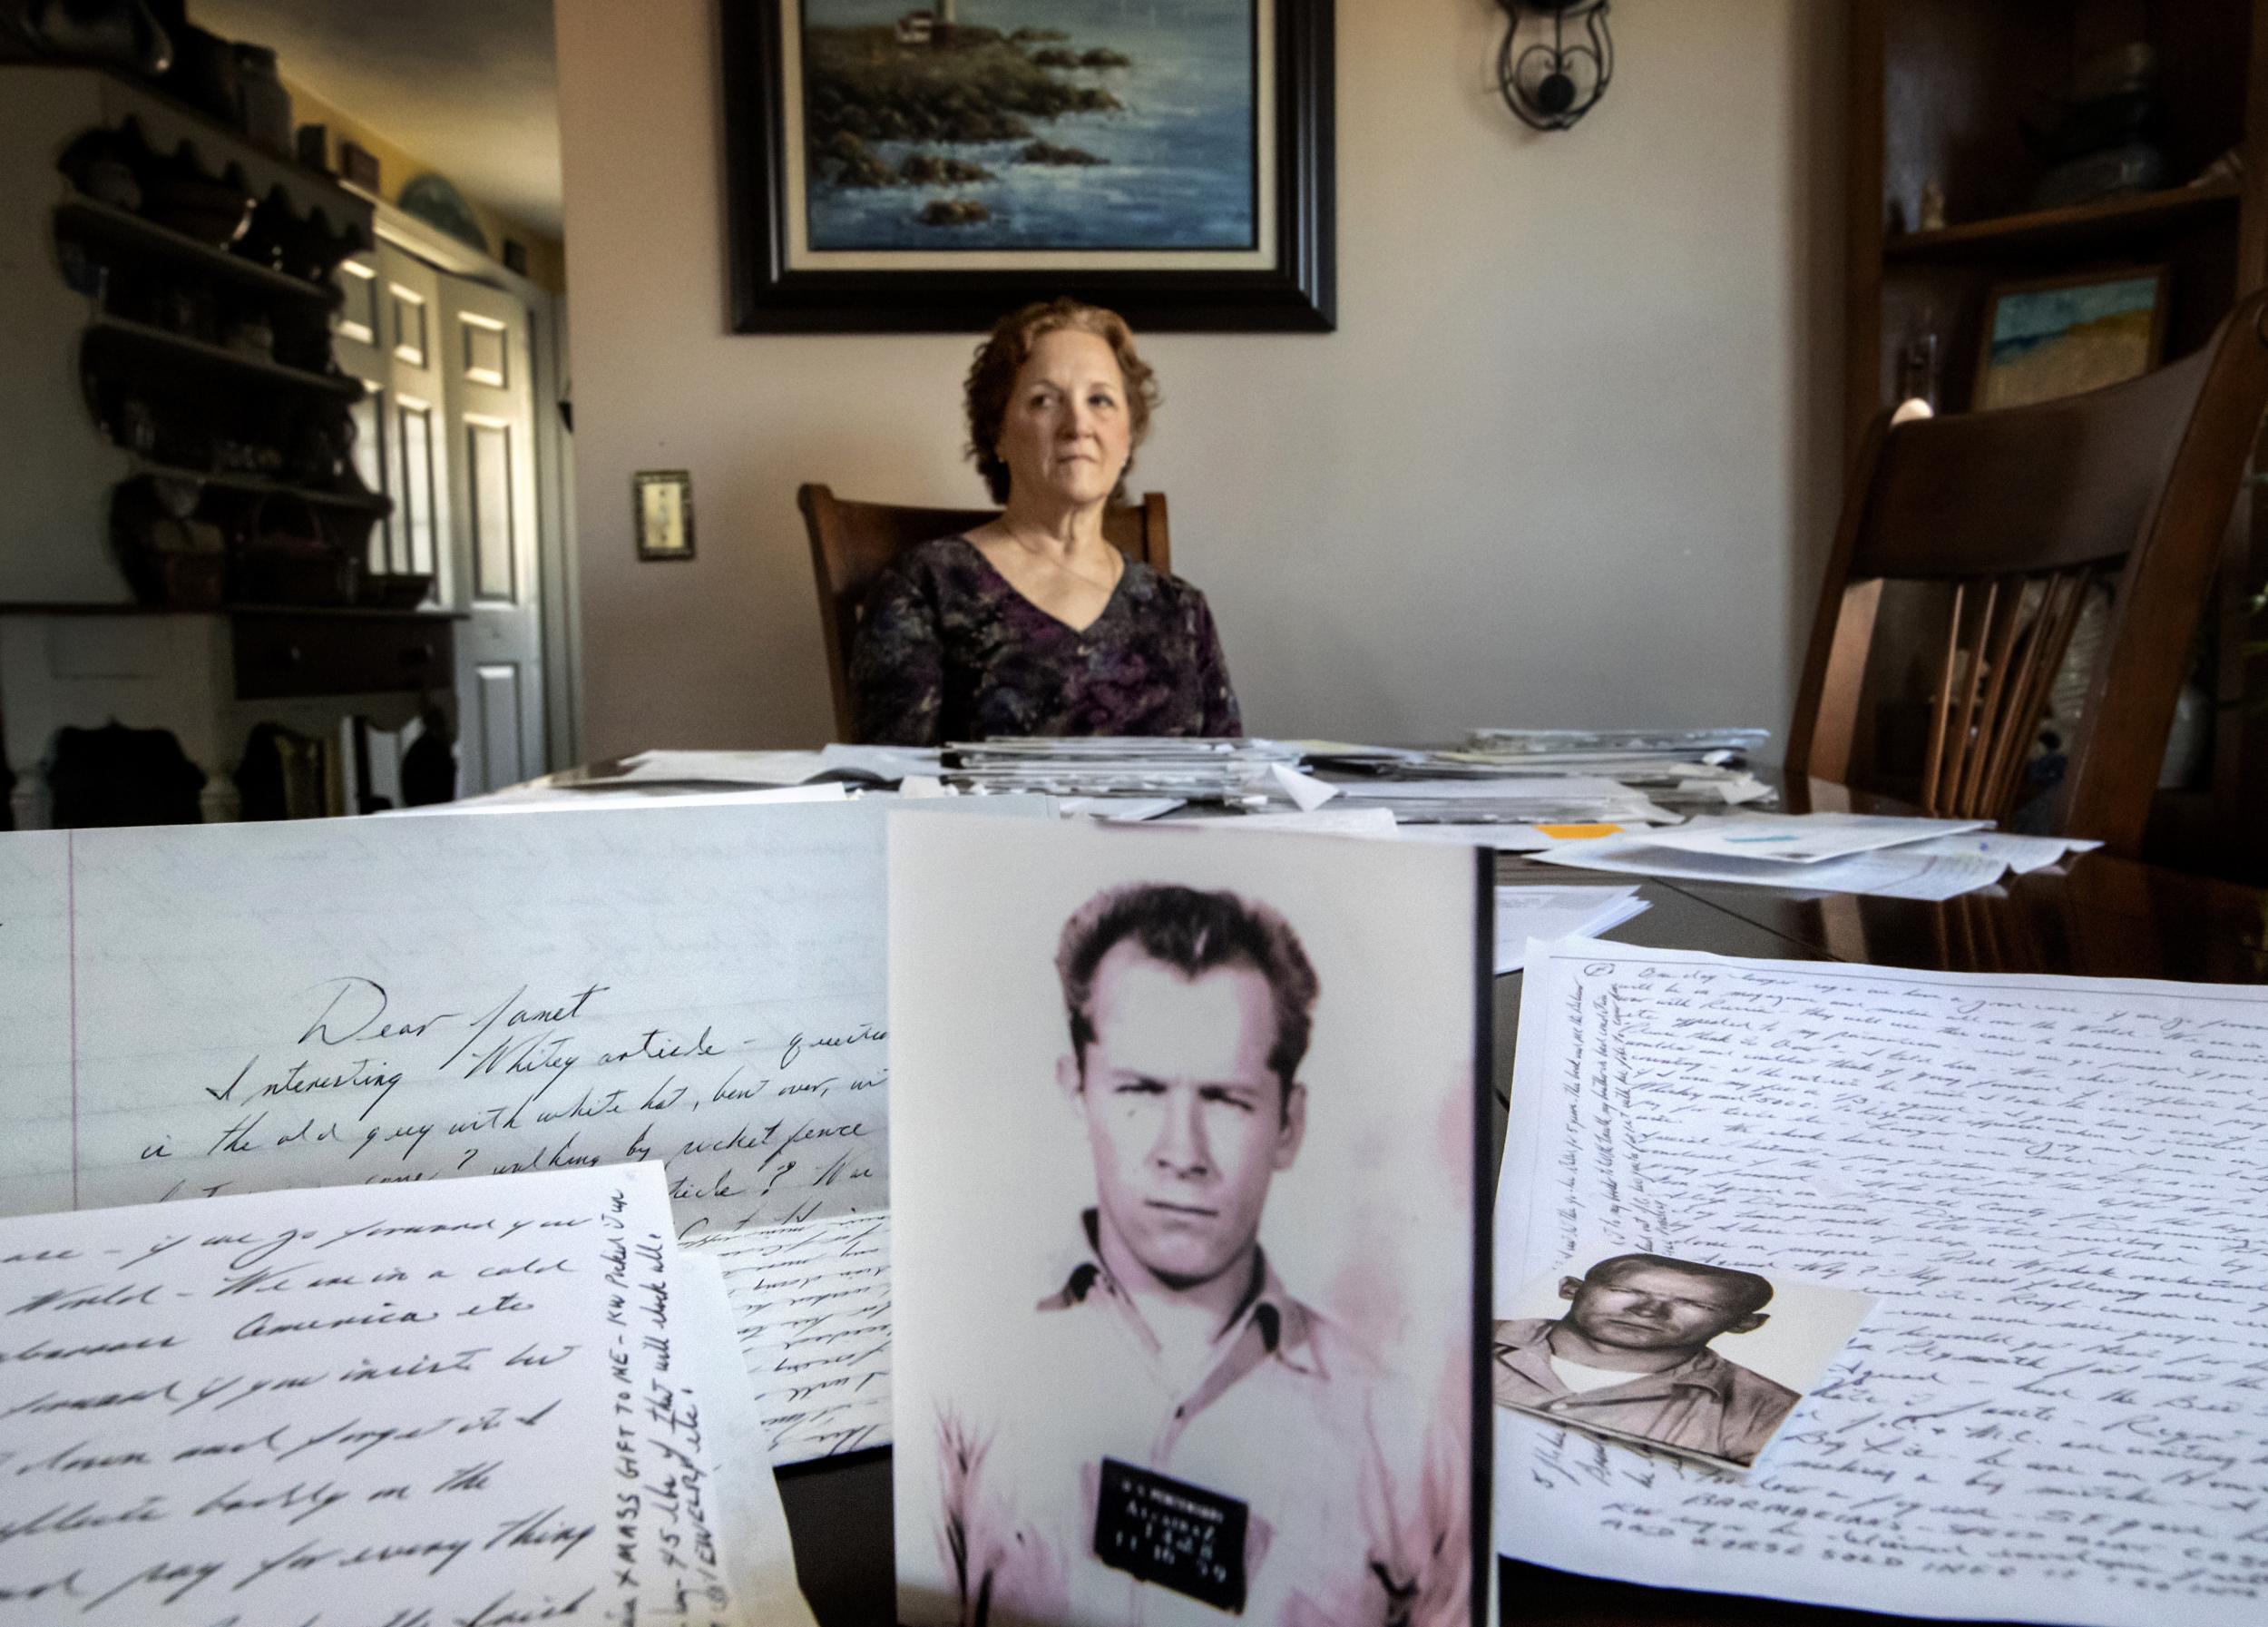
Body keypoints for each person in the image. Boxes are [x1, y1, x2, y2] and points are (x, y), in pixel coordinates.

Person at [925, 883, 1463, 1626]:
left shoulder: (1401, 1435)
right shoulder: (960, 1378)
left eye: (1226, 1099)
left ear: (1288, 1123)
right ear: (1076, 1091)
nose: (1183, 1152)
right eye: (1141, 1089)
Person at [849, 299, 1242, 745]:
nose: (1077, 425)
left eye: (1100, 400)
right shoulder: (925, 587)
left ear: (1128, 436)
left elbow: (1229, 790)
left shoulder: (1182, 611)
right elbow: (893, 792)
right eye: (1044, 401)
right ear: (997, 432)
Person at [1491, 1252, 1798, 1465]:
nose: (1648, 1310)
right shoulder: (1459, 1335)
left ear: (1744, 1324)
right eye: (1624, 1290)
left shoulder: (1772, 1412)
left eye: (1694, 1304)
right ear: (1570, 1288)